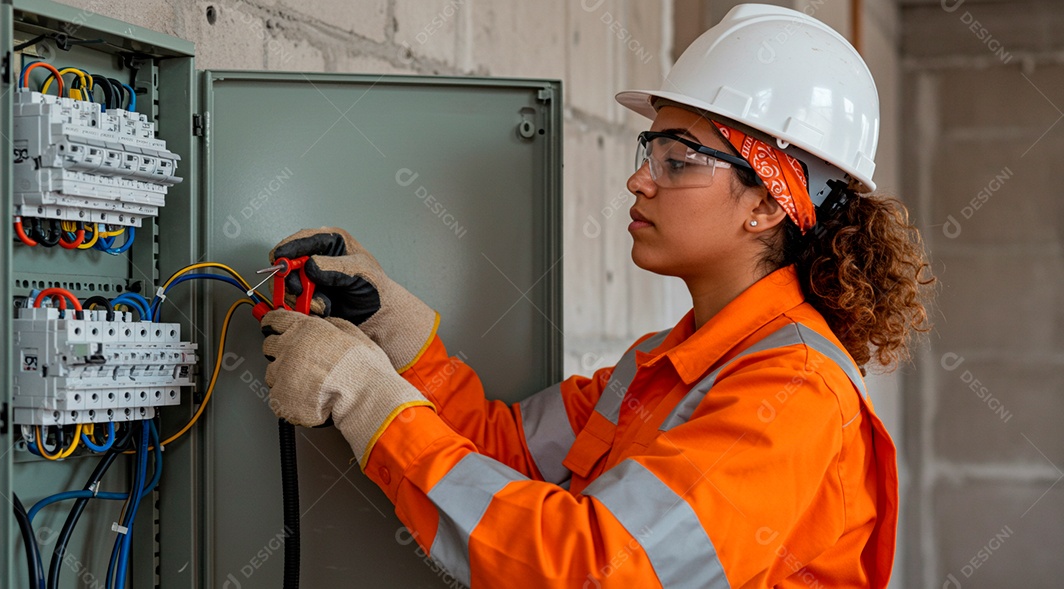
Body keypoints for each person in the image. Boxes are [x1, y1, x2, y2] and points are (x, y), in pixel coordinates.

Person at [259, 4, 933, 587]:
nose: (640, 181)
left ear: (766, 201)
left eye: (678, 158)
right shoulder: (664, 365)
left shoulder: (793, 396)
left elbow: (593, 567)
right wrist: (399, 338)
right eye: (650, 150)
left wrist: (369, 401)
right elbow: (506, 453)